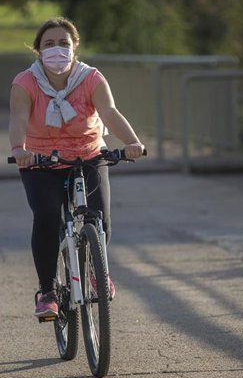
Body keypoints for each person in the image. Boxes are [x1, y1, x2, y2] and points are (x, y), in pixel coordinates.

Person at [8, 17, 145, 318]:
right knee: (46, 218)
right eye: (49, 44)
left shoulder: (91, 78)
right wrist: (20, 150)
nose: (57, 49)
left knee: (99, 219)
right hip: (40, 162)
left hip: (88, 156)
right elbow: (18, 118)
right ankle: (47, 292)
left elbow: (109, 112)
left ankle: (97, 271)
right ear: (38, 51)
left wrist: (133, 142)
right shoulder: (25, 82)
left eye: (63, 43)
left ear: (75, 48)